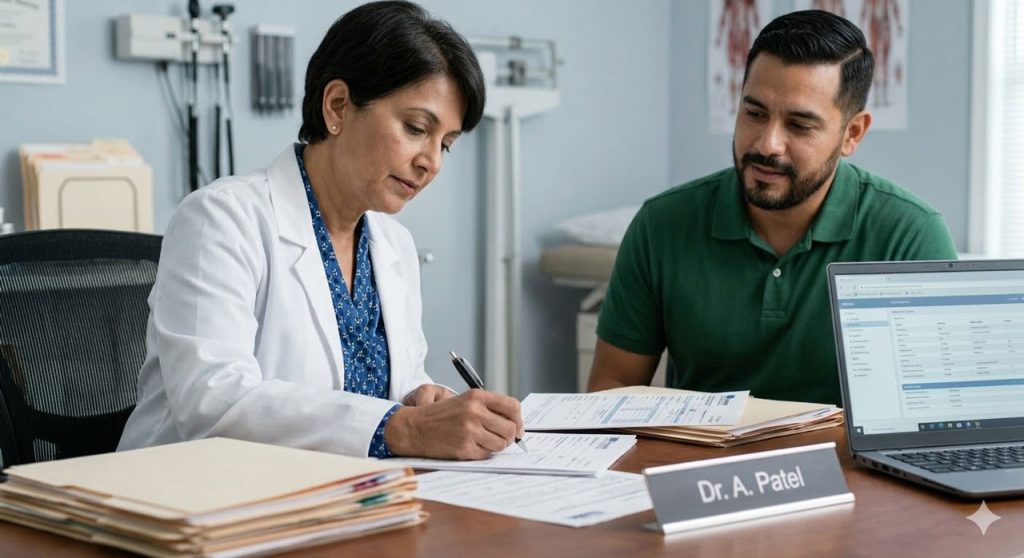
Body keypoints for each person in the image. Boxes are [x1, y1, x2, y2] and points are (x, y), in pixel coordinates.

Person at [119, 1, 524, 460]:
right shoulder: (221, 218)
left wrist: (420, 398)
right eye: (416, 128)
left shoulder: (394, 245)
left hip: (341, 495)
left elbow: (396, 384)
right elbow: (212, 403)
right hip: (192, 500)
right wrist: (403, 428)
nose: (430, 161)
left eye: (445, 145)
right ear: (337, 106)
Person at [588, 10, 957, 406]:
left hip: (843, 466)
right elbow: (612, 388)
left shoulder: (910, 235)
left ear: (852, 133)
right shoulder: (662, 223)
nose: (767, 144)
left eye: (799, 126)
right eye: (755, 113)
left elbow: (932, 417)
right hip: (701, 464)